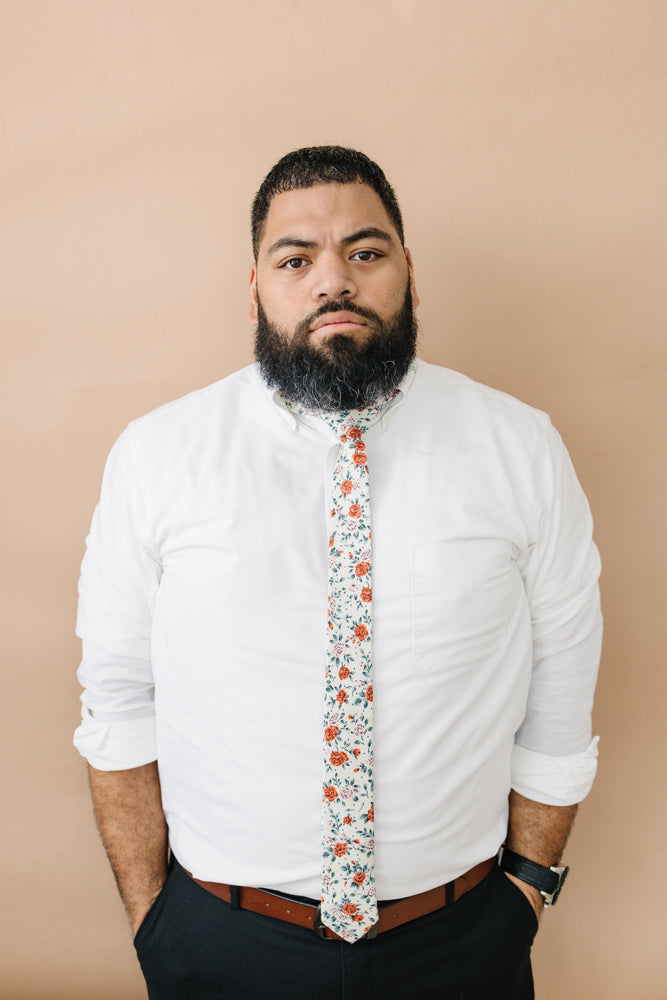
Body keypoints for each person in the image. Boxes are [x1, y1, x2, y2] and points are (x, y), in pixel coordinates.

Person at [74, 146, 602, 1000]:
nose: (334, 281)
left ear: (409, 275)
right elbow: (118, 700)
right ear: (255, 289)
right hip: (221, 944)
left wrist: (526, 894)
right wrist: (154, 919)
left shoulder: (520, 447)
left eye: (365, 252)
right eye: (296, 259)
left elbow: (559, 700)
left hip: (460, 941)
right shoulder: (158, 456)